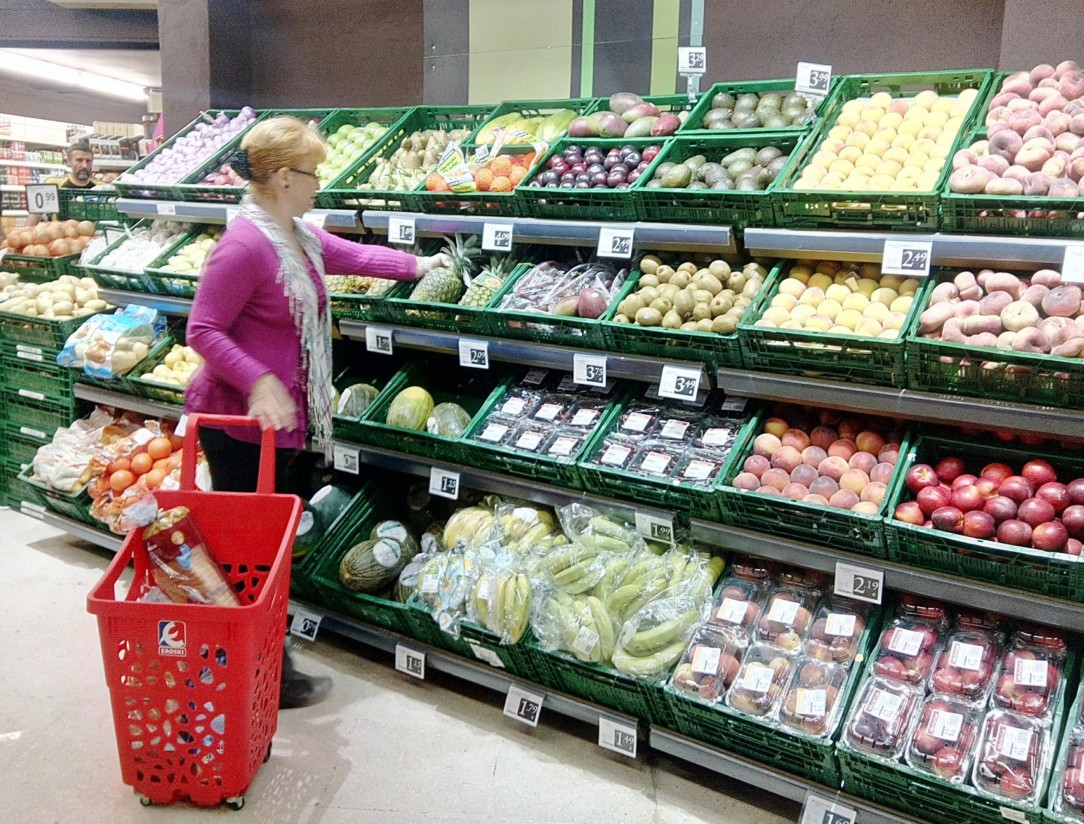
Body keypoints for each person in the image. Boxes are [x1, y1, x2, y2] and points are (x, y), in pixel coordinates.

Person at [184, 116, 449, 708]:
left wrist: (417, 267)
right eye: (311, 174)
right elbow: (202, 329)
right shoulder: (244, 246)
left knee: (273, 546)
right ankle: (254, 668)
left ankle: (261, 658)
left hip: (287, 424)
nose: (318, 184)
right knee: (250, 553)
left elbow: (346, 253)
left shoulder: (295, 235)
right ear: (282, 177)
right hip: (242, 428)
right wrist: (257, 380)